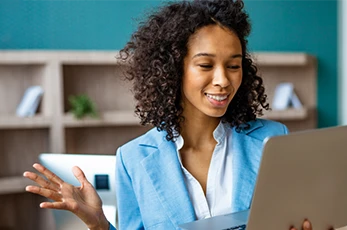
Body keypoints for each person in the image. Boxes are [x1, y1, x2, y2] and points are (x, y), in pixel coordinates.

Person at [23, 1, 330, 229]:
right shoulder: (133, 159)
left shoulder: (272, 140)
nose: (223, 80)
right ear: (174, 69)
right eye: (206, 65)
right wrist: (99, 224)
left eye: (233, 65)